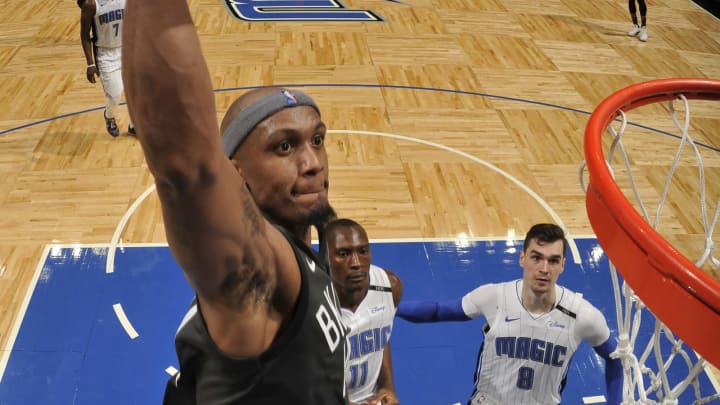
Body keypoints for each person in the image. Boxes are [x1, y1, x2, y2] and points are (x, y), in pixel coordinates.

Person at [121, 0, 348, 403]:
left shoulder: (304, 257)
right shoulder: (260, 270)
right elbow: (185, 167)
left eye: (317, 140)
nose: (312, 162)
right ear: (235, 172)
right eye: (283, 147)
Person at [395, 223, 623, 405]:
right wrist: (392, 308)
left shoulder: (582, 315)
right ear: (522, 258)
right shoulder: (494, 297)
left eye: (553, 261)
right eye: (537, 257)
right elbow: (438, 311)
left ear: (563, 265)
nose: (544, 268)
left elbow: (616, 357)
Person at [325, 219, 403, 405]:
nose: (356, 263)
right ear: (324, 258)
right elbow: (298, 374)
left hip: (370, 398)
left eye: (363, 251)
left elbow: (381, 336)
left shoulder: (389, 287)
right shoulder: (312, 302)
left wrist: (387, 387)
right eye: (343, 254)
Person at [78, 0, 134, 137]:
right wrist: (90, 64)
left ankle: (134, 126)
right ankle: (109, 117)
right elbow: (85, 35)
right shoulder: (91, 4)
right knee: (115, 94)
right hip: (105, 54)